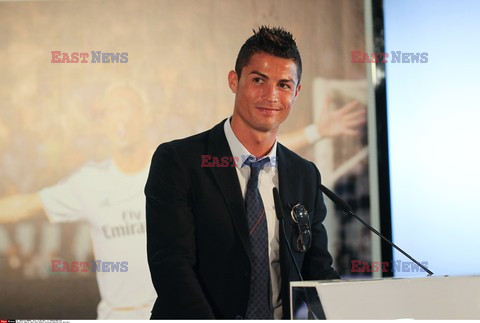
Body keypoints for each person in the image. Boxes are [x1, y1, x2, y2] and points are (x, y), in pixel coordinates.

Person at [145, 26, 340, 320]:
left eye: (284, 85)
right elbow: (172, 267)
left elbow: (318, 270)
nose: (271, 95)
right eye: (259, 80)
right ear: (234, 81)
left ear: (297, 92)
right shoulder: (179, 162)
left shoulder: (304, 175)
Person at [0, 84, 157, 319]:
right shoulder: (91, 182)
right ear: (104, 124)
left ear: (146, 115)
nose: (118, 117)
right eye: (110, 111)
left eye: (125, 108)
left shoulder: (173, 173)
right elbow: (27, 206)